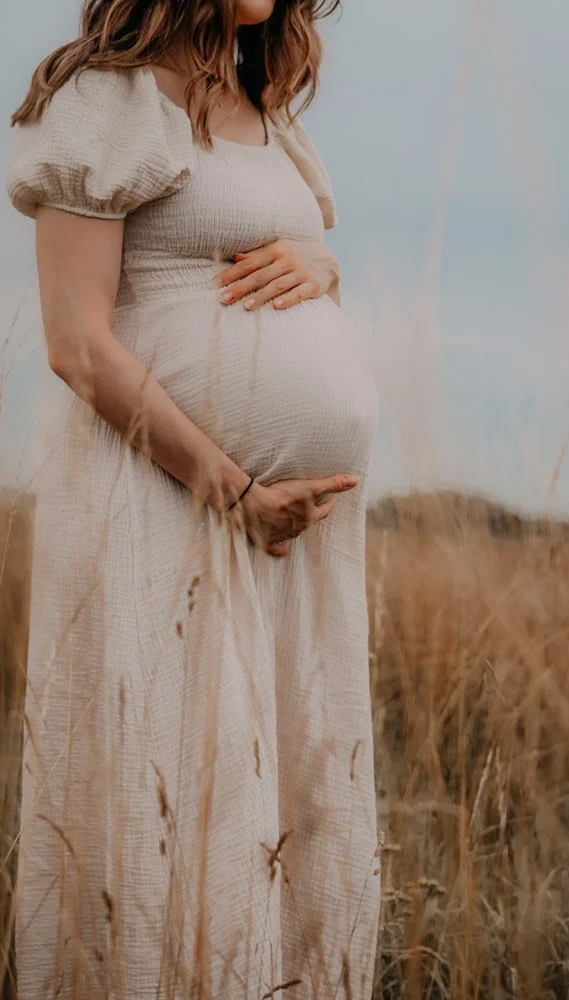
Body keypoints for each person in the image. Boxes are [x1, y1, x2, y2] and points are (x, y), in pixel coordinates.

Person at [5, 0, 380, 996]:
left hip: (295, 541)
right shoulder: (103, 102)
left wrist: (322, 264)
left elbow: (275, 271)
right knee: (170, 806)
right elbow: (76, 342)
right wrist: (235, 489)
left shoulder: (270, 114)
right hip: (165, 506)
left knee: (289, 805)